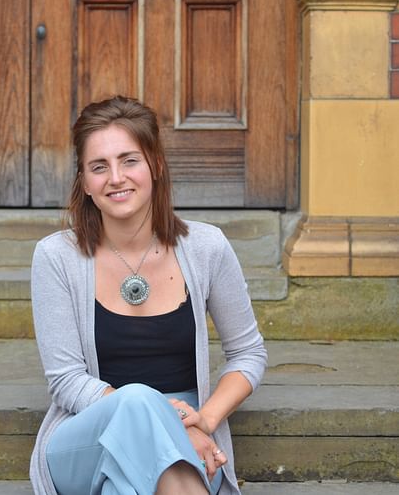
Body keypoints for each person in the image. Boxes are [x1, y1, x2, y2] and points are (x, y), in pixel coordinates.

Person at [30, 95, 267, 495]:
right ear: (85, 182)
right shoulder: (56, 257)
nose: (116, 177)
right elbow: (67, 381)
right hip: (86, 434)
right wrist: (160, 417)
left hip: (191, 430)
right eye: (99, 167)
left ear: (155, 164)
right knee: (137, 400)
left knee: (123, 486)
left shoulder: (207, 247)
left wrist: (204, 421)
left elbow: (249, 353)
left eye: (129, 160)